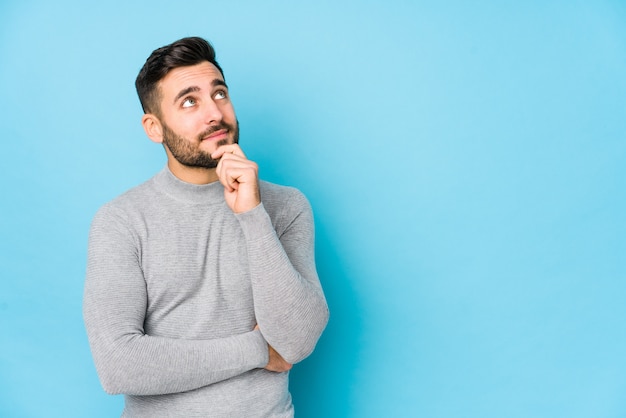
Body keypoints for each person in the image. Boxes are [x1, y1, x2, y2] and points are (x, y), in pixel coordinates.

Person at [83, 36, 329, 417]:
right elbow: (118, 364)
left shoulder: (286, 206)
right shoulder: (121, 220)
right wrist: (259, 350)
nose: (214, 113)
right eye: (189, 101)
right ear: (154, 127)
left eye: (219, 94)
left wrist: (252, 216)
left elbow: (296, 342)